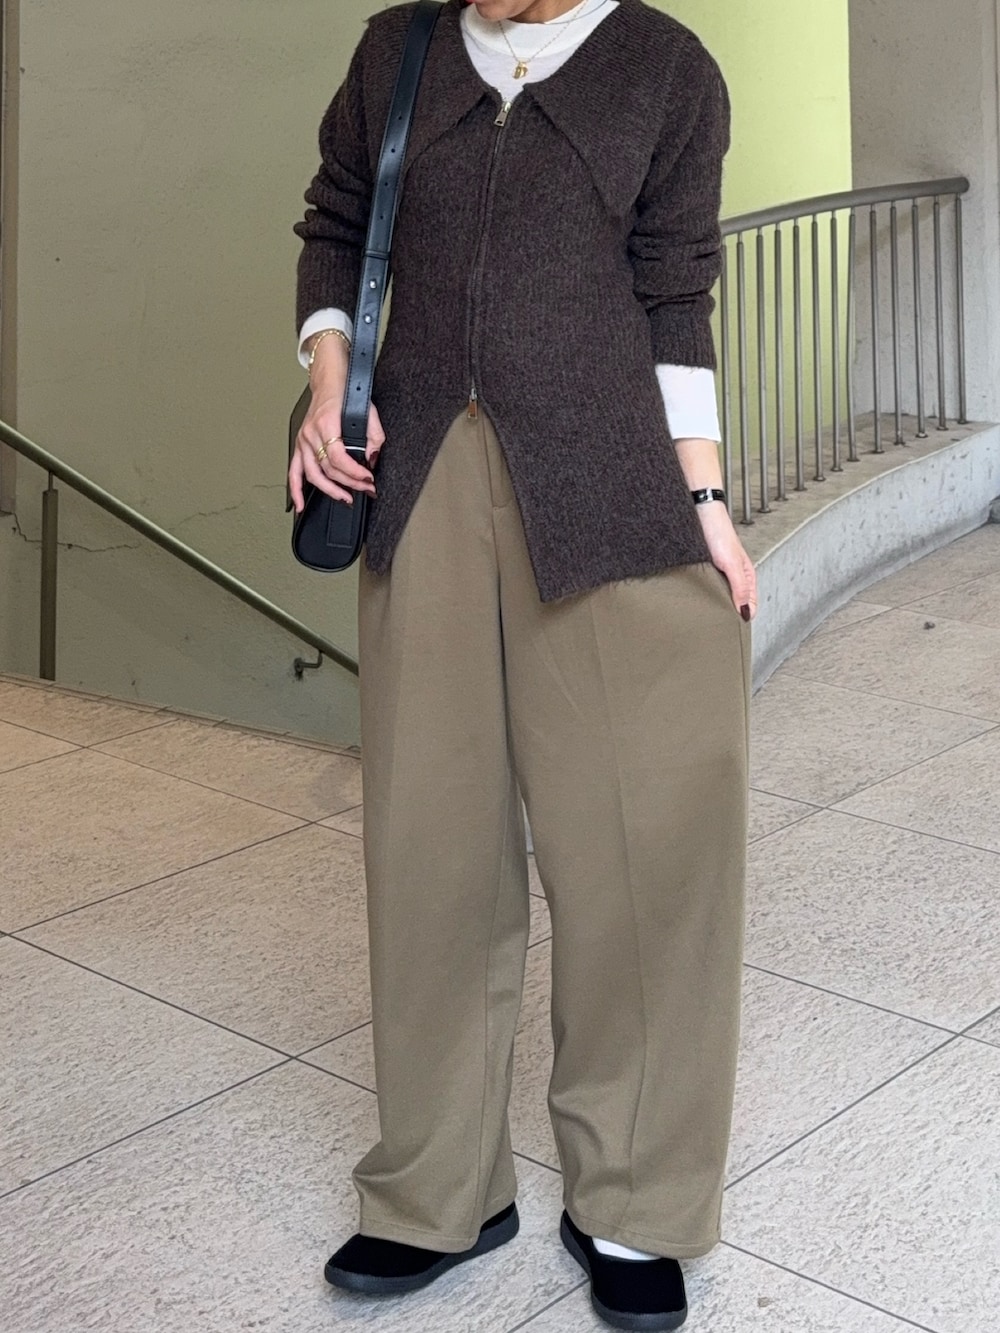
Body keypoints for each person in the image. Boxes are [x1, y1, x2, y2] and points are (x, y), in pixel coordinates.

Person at [289, 0, 755, 1327]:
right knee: (430, 848)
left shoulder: (666, 70)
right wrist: (326, 382)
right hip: (420, 479)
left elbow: (675, 298)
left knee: (644, 851)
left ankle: (634, 1203)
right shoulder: (400, 47)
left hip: (609, 490)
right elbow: (335, 221)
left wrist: (707, 504)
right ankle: (437, 1189)